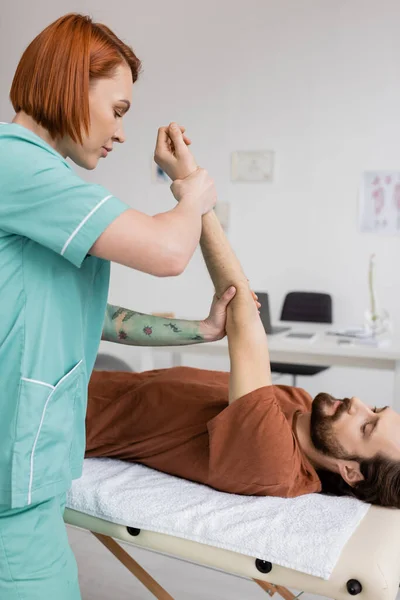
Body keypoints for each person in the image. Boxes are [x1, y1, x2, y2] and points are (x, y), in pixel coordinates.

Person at [0, 13, 261, 600]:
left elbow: (96, 311)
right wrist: (190, 190)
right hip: (11, 468)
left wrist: (198, 329)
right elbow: (169, 252)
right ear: (70, 83)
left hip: (31, 463)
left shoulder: (40, 183)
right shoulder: (14, 166)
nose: (120, 133)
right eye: (117, 110)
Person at [86, 159, 400, 510]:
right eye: (374, 409)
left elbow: (243, 316)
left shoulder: (274, 462)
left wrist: (195, 194)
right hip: (95, 384)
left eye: (366, 427)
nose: (358, 404)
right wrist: (203, 330)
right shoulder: (299, 404)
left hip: (71, 414)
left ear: (350, 472)